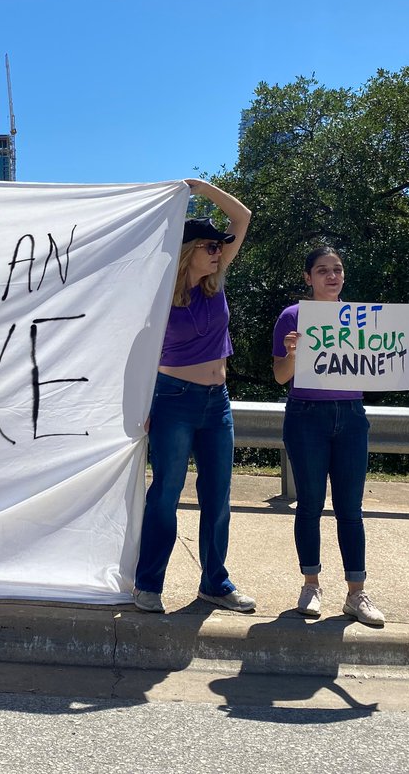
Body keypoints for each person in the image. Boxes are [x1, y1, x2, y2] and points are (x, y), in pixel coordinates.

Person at [272, 246, 409, 627]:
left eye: (337, 269)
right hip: (306, 416)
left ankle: (356, 593)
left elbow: (382, 359)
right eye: (322, 270)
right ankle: (311, 585)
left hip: (352, 416)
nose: (331, 276)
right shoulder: (292, 316)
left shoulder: (366, 319)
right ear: (308, 277)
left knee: (350, 509)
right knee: (309, 505)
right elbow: (279, 376)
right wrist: (292, 352)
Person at [133, 179, 254, 615]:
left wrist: (202, 187)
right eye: (209, 246)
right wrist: (141, 403)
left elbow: (242, 218)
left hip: (216, 402)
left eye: (219, 246)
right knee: (165, 493)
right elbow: (136, 348)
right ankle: (148, 584)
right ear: (188, 251)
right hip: (173, 399)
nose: (218, 251)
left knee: (218, 495)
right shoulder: (162, 291)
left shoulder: (215, 281)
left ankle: (214, 583)